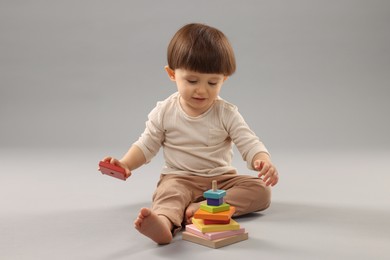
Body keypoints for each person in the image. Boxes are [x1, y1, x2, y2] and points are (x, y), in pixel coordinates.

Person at [101, 23, 279, 245]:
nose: (202, 90)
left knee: (260, 191)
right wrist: (125, 163)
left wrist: (262, 160)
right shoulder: (165, 111)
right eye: (192, 81)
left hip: (221, 180)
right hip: (179, 177)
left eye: (212, 82)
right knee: (169, 195)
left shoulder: (226, 113)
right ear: (172, 74)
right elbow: (146, 145)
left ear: (223, 79)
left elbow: (248, 141)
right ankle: (164, 224)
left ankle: (200, 210)